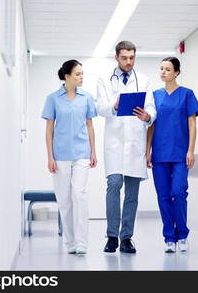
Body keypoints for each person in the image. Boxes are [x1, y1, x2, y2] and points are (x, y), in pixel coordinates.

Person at [96, 41, 156, 253]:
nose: (129, 62)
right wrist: (112, 106)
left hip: (135, 143)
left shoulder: (145, 80)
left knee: (132, 193)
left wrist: (148, 116)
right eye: (124, 58)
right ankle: (112, 236)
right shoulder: (104, 80)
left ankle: (126, 238)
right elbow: (99, 107)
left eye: (132, 58)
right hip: (114, 143)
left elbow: (151, 108)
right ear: (117, 58)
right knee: (113, 186)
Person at [146, 57, 198, 253]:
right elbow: (151, 125)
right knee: (163, 196)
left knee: (178, 193)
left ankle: (183, 234)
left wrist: (191, 150)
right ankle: (169, 236)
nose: (163, 72)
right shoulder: (154, 96)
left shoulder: (187, 94)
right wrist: (147, 151)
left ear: (177, 72)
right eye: (161, 68)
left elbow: (192, 124)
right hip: (159, 153)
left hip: (180, 153)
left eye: (167, 69)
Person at [41, 59, 97, 255]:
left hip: (82, 153)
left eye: (82, 74)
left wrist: (93, 151)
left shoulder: (87, 98)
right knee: (64, 200)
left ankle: (82, 242)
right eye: (77, 74)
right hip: (60, 154)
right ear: (66, 77)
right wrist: (50, 156)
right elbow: (49, 130)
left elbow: (90, 125)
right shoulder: (53, 98)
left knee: (79, 195)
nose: (81, 77)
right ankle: (70, 242)